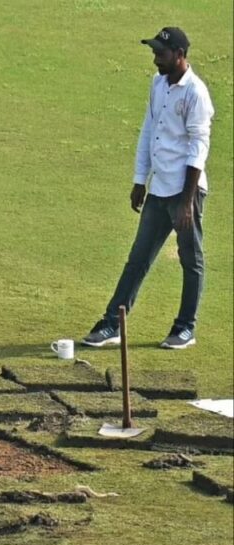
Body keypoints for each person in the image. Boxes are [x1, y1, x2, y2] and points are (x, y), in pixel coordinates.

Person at [83, 27, 214, 350]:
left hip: (186, 192)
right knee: (138, 258)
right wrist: (140, 179)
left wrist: (187, 202)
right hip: (159, 190)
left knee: (190, 259)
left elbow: (199, 147)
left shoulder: (195, 93)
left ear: (180, 55)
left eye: (162, 54)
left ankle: (185, 328)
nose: (156, 59)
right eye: (155, 52)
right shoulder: (158, 85)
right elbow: (149, 132)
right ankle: (112, 323)